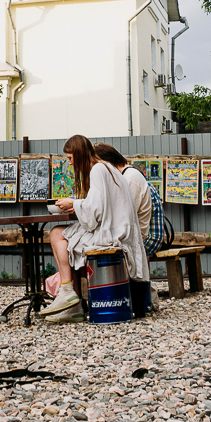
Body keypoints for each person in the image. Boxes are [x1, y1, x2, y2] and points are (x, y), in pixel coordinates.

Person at [39, 134, 149, 322]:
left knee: (57, 233)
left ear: (79, 154)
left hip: (112, 235)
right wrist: (79, 204)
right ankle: (73, 302)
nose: (70, 163)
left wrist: (74, 202)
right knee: (64, 238)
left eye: (70, 158)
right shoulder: (108, 167)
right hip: (122, 232)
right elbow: (101, 204)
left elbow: (94, 214)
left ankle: (68, 291)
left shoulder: (98, 169)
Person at [93, 143, 152, 239]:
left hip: (133, 237)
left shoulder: (130, 178)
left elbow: (124, 218)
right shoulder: (121, 177)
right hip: (122, 233)